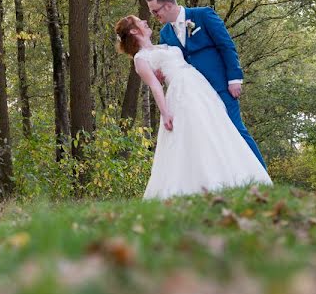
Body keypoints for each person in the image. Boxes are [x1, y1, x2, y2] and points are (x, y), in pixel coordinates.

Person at [115, 15, 272, 200]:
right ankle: (202, 183)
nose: (145, 22)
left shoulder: (163, 46)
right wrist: (165, 113)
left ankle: (232, 178)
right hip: (180, 92)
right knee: (194, 134)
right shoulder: (140, 59)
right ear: (134, 30)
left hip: (200, 87)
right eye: (140, 22)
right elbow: (156, 87)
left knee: (215, 129)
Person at [145, 0, 267, 170]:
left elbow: (225, 45)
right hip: (195, 95)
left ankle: (261, 175)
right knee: (211, 138)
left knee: (235, 129)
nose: (154, 16)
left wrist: (234, 78)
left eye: (155, 11)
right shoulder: (165, 34)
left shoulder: (203, 15)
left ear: (168, 5)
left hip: (220, 85)